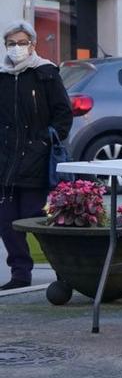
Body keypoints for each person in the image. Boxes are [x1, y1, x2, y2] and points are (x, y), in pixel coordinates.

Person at [0, 21, 70, 292]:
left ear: (32, 44)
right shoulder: (3, 76)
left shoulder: (46, 73)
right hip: (5, 162)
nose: (16, 48)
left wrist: (43, 141)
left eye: (21, 42)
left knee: (34, 219)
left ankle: (63, 270)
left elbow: (63, 115)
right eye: (11, 43)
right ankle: (20, 273)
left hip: (36, 160)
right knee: (7, 222)